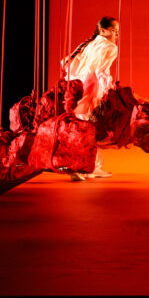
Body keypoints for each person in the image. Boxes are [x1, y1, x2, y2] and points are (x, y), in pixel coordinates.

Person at [61, 16, 120, 179]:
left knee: (82, 126)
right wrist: (109, 89)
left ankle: (91, 165)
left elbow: (72, 65)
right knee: (90, 128)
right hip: (92, 86)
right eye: (113, 31)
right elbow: (99, 71)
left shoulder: (89, 44)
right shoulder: (110, 46)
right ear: (103, 30)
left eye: (117, 31)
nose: (116, 34)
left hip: (78, 86)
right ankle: (80, 166)